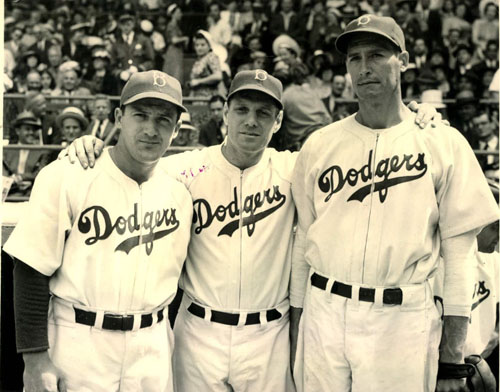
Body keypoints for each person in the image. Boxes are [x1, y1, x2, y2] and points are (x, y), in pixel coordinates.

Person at [64, 69, 443, 392]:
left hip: (268, 334)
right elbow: (129, 163)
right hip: (199, 329)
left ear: (278, 122)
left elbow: (361, 147)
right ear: (225, 112)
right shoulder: (183, 169)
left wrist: (419, 116)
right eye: (242, 110)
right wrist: (90, 145)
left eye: (264, 113)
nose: (251, 121)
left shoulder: (295, 168)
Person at [290, 14, 499, 392]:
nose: (364, 68)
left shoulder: (441, 141)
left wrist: (452, 358)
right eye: (355, 58)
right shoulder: (320, 144)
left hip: (401, 319)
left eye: (377, 55)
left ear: (402, 60)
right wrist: (296, 326)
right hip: (325, 310)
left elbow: (460, 257)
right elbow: (304, 242)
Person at [3, 70, 193, 392]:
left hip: (152, 346)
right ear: (119, 117)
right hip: (78, 341)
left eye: (163, 120)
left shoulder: (180, 190)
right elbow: (31, 268)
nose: (150, 129)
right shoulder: (69, 174)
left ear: (176, 130)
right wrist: (34, 361)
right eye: (140, 115)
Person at [3, 111, 48, 197]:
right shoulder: (7, 150)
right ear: (18, 131)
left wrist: (21, 178)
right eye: (27, 129)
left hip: (32, 193)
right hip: (10, 193)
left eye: (33, 130)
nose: (31, 133)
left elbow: (40, 173)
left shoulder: (42, 151)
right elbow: (3, 174)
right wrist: (13, 182)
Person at [188, 30, 223, 98]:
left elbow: (218, 76)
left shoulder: (211, 57)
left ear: (209, 46)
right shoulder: (198, 60)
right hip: (197, 97)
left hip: (209, 97)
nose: (199, 48)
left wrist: (199, 81)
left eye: (202, 45)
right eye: (197, 45)